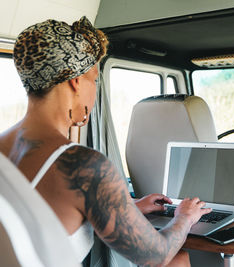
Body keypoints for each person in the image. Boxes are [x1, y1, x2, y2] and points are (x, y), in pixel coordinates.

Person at [0, 17, 211, 266]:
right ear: (76, 81)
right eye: (94, 80)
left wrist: (128, 205)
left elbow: (41, 210)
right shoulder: (82, 165)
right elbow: (156, 256)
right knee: (176, 260)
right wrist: (184, 218)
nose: (94, 90)